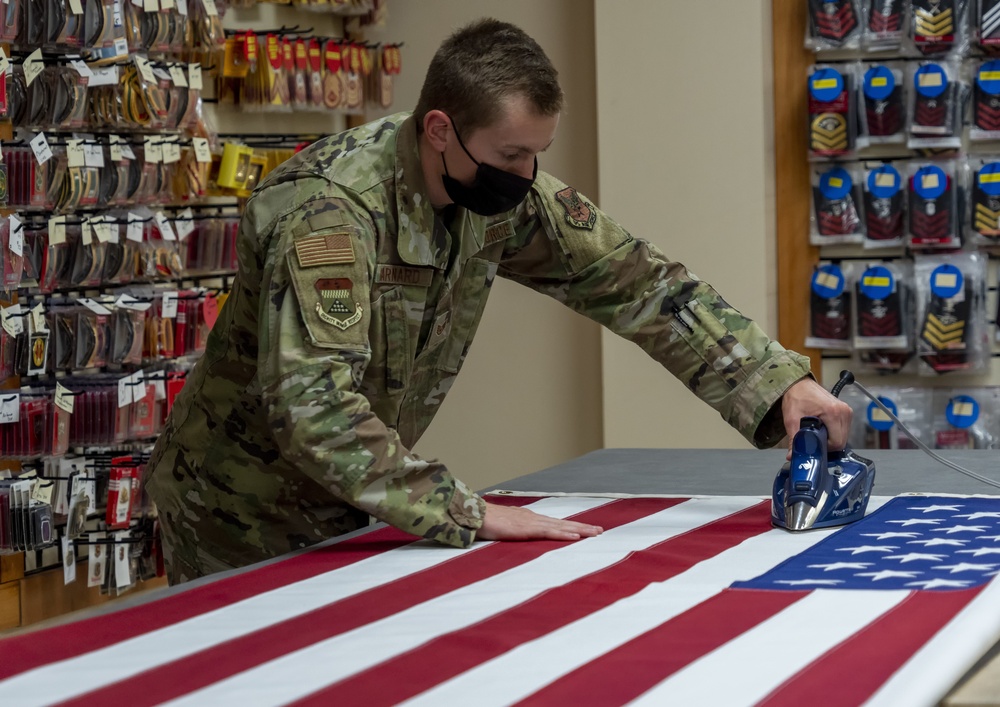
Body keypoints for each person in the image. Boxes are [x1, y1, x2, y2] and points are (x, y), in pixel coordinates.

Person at [144, 18, 851, 584]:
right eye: (511, 155)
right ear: (440, 130)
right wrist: (466, 509)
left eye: (536, 153)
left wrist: (776, 381)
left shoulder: (496, 192)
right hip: (236, 514)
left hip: (352, 502)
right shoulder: (330, 210)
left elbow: (636, 279)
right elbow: (314, 410)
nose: (527, 175)